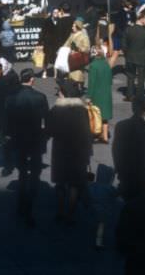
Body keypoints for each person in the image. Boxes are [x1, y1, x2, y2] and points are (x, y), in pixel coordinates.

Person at [6, 69, 48, 227]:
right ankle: (29, 208)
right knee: (35, 173)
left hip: (19, 139)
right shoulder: (41, 97)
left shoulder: (11, 98)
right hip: (35, 140)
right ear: (32, 80)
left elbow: (7, 120)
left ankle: (20, 204)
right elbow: (46, 120)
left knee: (22, 172)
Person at [46, 83, 92, 224]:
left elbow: (50, 130)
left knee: (60, 183)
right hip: (78, 152)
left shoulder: (56, 110)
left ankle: (60, 211)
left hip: (61, 151)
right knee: (74, 184)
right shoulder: (82, 110)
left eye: (60, 92)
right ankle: (70, 213)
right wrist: (88, 153)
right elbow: (87, 133)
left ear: (64, 93)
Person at [112, 96, 145, 200]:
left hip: (125, 174)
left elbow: (116, 150)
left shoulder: (121, 126)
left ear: (132, 108)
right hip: (142, 177)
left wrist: (119, 169)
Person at [121, 12, 145, 101]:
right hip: (142, 58)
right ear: (142, 19)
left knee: (130, 77)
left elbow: (124, 45)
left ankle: (129, 95)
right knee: (141, 78)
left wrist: (126, 54)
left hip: (130, 57)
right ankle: (139, 96)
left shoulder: (128, 30)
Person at [87, 47, 113, 143]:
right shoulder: (106, 64)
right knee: (105, 116)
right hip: (106, 93)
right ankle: (105, 136)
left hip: (96, 94)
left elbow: (91, 83)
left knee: (95, 115)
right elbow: (110, 80)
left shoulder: (93, 66)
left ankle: (96, 134)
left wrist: (88, 96)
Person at [63, 19, 91, 95]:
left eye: (73, 26)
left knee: (78, 73)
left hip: (79, 58)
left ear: (78, 27)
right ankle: (74, 88)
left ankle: (78, 88)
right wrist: (63, 49)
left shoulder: (83, 36)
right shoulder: (72, 35)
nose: (72, 27)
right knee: (71, 73)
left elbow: (87, 48)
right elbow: (66, 44)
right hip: (71, 57)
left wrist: (79, 48)